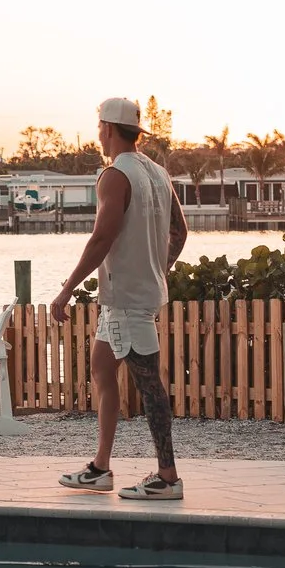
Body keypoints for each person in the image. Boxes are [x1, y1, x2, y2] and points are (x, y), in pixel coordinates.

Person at [54, 96, 188, 499]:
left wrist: (67, 287)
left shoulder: (115, 176)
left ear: (108, 129)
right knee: (101, 367)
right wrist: (156, 268)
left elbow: (102, 238)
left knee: (150, 386)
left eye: (99, 128)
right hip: (130, 297)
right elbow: (180, 233)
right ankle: (100, 468)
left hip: (128, 300)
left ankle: (168, 478)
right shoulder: (158, 172)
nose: (99, 134)